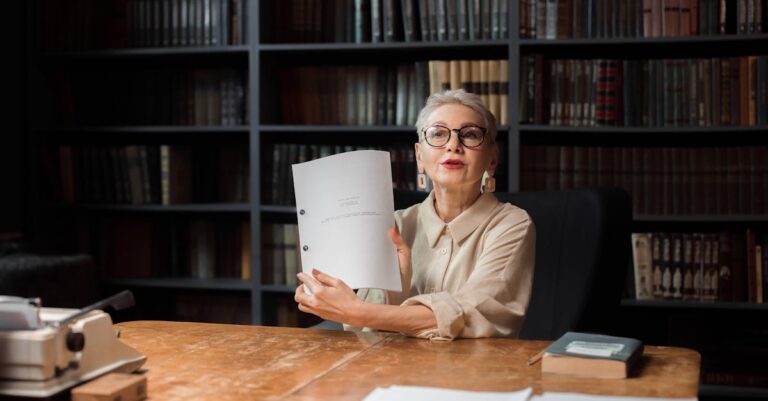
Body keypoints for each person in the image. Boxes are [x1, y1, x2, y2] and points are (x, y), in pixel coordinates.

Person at [294, 89, 536, 341]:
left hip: (476, 374)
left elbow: (472, 314)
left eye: (471, 135)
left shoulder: (513, 224)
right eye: (439, 134)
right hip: (395, 372)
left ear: (492, 160)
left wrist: (358, 311)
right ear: (419, 156)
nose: (453, 145)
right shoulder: (395, 225)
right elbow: (365, 332)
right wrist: (386, 292)